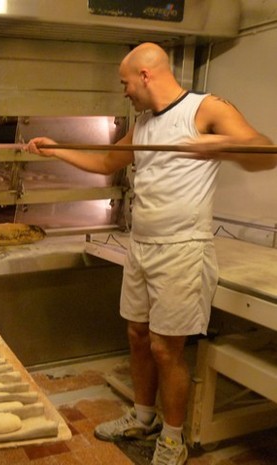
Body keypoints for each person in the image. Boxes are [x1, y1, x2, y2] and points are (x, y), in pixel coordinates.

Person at [27, 42, 276, 465]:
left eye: (125, 82)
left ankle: (174, 438)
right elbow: (108, 162)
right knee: (138, 337)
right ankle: (143, 418)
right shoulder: (143, 124)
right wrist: (56, 149)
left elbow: (266, 152)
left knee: (167, 349)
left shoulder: (204, 109)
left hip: (182, 250)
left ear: (145, 75)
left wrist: (215, 146)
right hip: (141, 247)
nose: (124, 91)